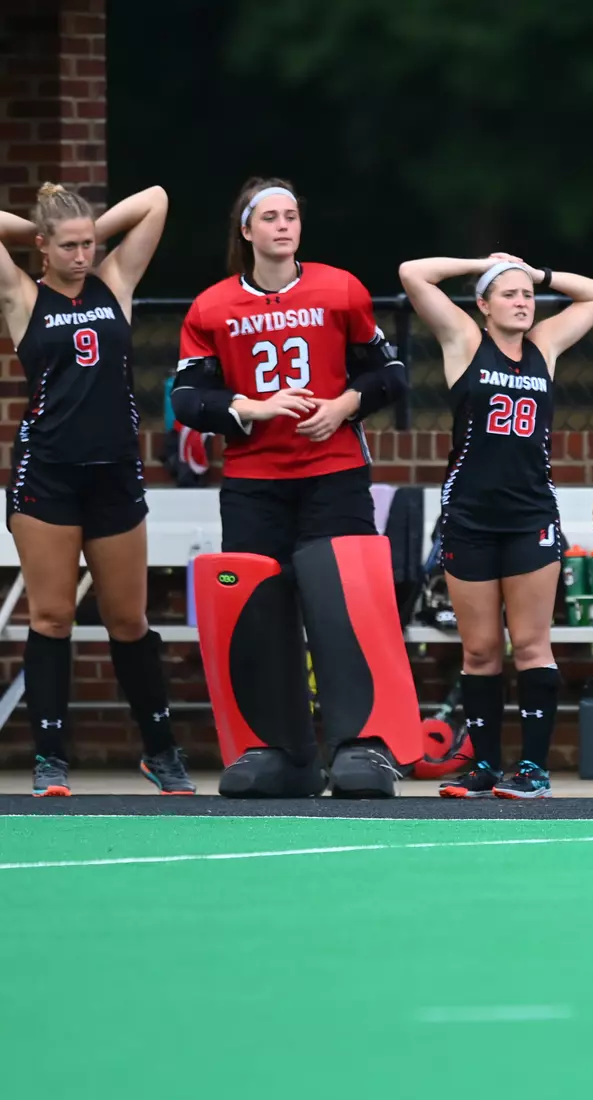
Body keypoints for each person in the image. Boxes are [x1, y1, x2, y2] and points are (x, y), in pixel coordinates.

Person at [171, 177, 417, 798]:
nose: (284, 226)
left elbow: (389, 371)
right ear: (246, 231)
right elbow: (186, 397)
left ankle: (362, 745)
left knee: (344, 610)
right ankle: (283, 750)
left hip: (332, 474)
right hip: (254, 483)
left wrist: (344, 406)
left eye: (292, 216)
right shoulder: (211, 307)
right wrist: (252, 407)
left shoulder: (341, 289)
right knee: (261, 614)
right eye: (271, 217)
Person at [0, 182, 195, 797]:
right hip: (50, 472)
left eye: (90, 243)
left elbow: (159, 199)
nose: (83, 255)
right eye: (69, 246)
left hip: (114, 471)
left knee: (127, 617)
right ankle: (51, 757)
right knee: (53, 615)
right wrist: (38, 227)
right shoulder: (24, 296)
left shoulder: (114, 283)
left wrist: (87, 223)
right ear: (43, 249)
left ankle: (160, 750)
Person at [397, 252, 593, 799]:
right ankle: (486, 766)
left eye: (527, 296)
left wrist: (537, 273)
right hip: (469, 518)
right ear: (484, 305)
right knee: (480, 651)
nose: (522, 302)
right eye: (509, 294)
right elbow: (411, 274)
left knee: (533, 646)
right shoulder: (467, 343)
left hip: (530, 518)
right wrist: (483, 262)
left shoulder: (544, 346)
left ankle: (534, 770)